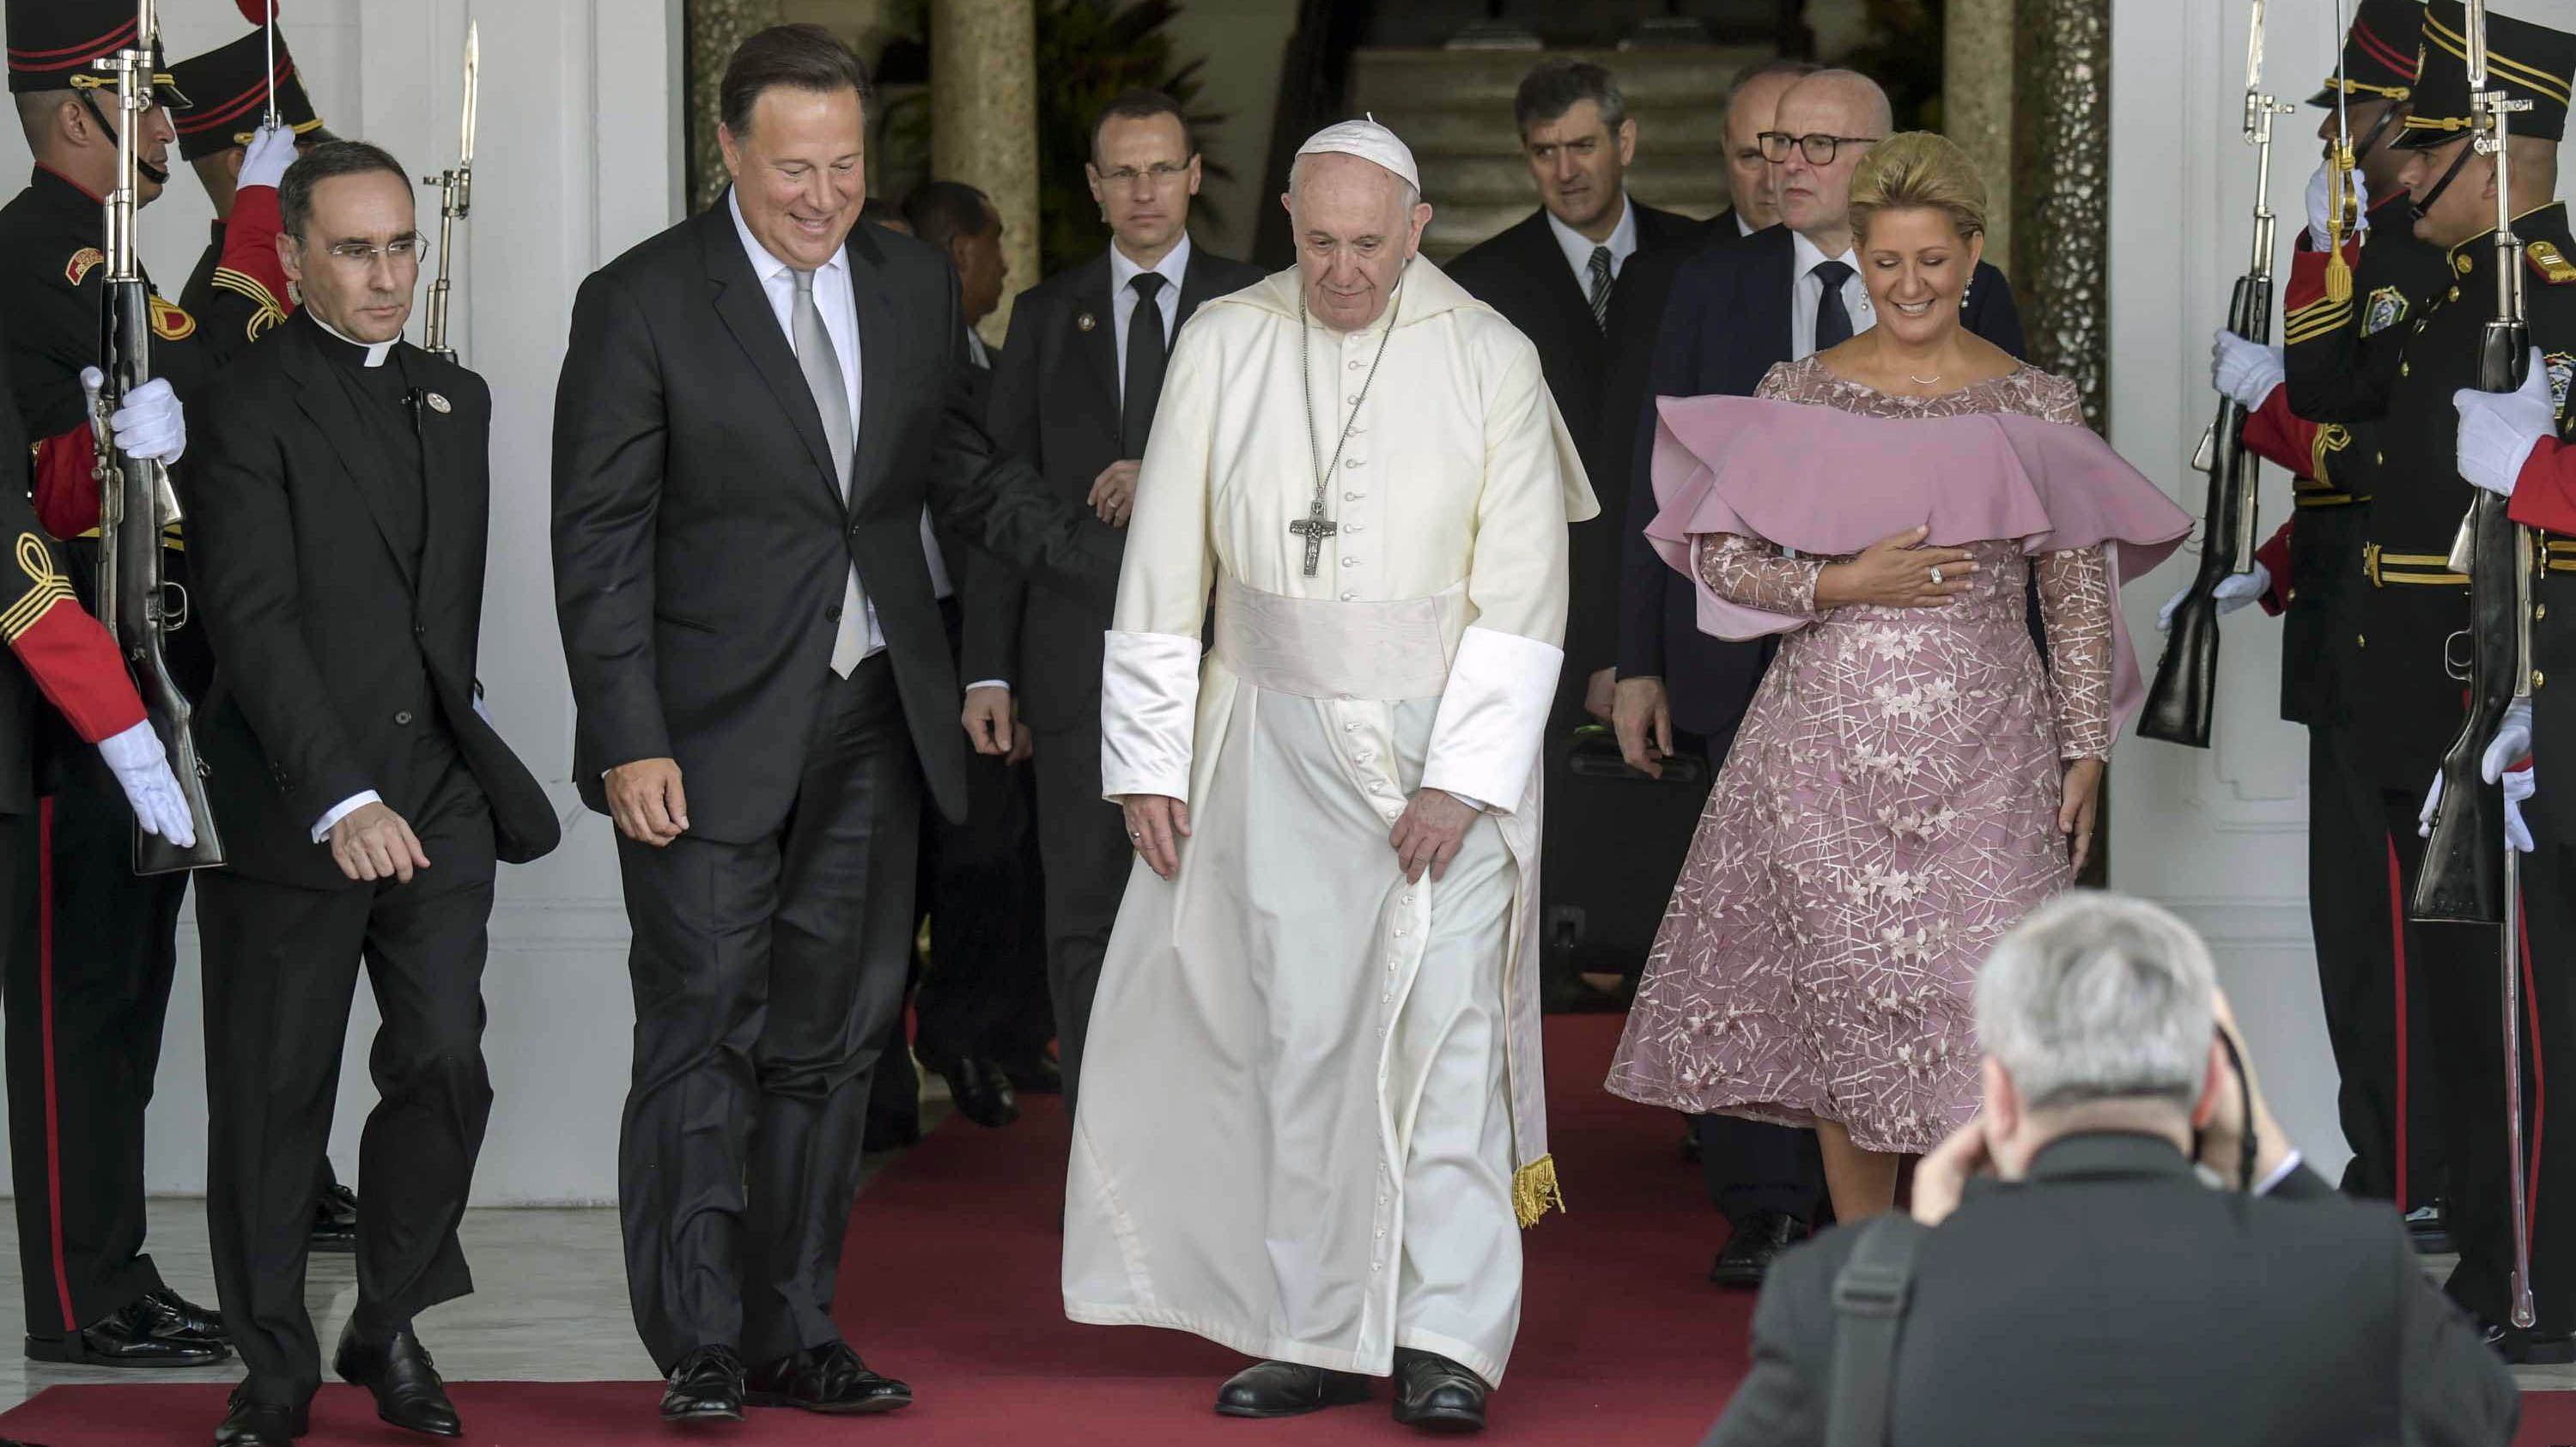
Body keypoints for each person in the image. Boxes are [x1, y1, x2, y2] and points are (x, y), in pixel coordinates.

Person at [551, 24, 1120, 1424]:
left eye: (847, 166)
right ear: (730, 152)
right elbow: (599, 540)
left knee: (837, 1040)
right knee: (702, 1031)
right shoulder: (641, 301)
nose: (823, 196)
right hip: (696, 739)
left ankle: (794, 1327)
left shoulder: (912, 283)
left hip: (875, 720)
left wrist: (1123, 562)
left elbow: (962, 471)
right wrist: (628, 735)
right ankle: (699, 1342)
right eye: (793, 168)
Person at [1061, 118, 1592, 1434]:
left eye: (1368, 244)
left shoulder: (1491, 355)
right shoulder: (1225, 339)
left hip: (1441, 753)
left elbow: (1526, 591)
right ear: (1288, 226)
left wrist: (1463, 778)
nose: (1342, 272)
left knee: (1448, 1043)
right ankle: (1311, 1330)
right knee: (1294, 1042)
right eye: (1318, 244)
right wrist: (1147, 757)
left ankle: (1448, 1338)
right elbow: (1164, 562)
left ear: (1417, 230)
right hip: (1267, 742)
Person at [1607, 131, 2188, 1227]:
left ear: (1972, 254)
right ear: (1859, 260)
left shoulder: (2037, 403)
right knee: (1851, 1013)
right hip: (1824, 755)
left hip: (1993, 752)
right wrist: (1840, 581)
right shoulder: (1799, 391)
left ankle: (1972, 1279)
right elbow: (1721, 559)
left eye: (1932, 260)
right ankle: (1870, 1272)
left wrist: (2087, 749)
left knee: (1991, 1015)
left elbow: (2073, 593)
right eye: (1885, 262)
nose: (1909, 284)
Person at [1611, 70, 2028, 1287]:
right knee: (1784, 954)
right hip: (1762, 679)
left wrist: (2067, 725)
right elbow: (1665, 492)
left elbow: (2034, 540)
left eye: (1818, 144)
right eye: (1777, 143)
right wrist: (1638, 658)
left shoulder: (1992, 317)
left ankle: (1924, 1237)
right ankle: (1766, 1205)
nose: (1788, 163)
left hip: (1957, 715)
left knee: (1926, 975)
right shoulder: (1716, 287)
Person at [185, 141, 561, 1447]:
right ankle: (273, 1369)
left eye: (402, 245)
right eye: (355, 249)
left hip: (439, 793)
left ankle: (388, 1321)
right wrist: (340, 795)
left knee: (445, 1060)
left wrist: (418, 772)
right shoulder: (240, 403)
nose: (387, 273)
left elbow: (433, 619)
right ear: (292, 259)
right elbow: (253, 619)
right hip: (295, 801)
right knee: (272, 1100)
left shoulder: (460, 399)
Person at [1700, 891, 2521, 1447]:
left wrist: (1911, 1243)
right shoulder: (2349, 1272)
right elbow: (2484, 1415)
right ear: (2213, 1087)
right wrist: (2272, 1159)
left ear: (1998, 1095)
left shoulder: (1847, 1292)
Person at [2180, 0, 2457, 1249]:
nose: (2335, 136)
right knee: (2353, 927)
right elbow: (2347, 485)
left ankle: (2419, 1168)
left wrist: (2273, 400)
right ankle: (2389, 1156)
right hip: (2347, 630)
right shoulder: (2362, 244)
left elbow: (2391, 450)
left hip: (2405, 640)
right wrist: (2279, 565)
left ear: (2413, 124)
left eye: (2357, 116)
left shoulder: (2423, 262)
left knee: (2394, 927)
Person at [0, 0, 227, 1369]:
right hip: (59, 697)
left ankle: (118, 1269)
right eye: (144, 100)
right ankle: (79, 1301)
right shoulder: (33, 253)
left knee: (129, 999)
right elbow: (30, 494)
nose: (166, 127)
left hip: (150, 669)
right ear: (79, 113)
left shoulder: (116, 261)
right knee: (74, 1006)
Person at [968, 88, 1262, 1121]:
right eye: (1123, 173)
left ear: (1193, 177)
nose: (1145, 191)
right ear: (1095, 188)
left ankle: (1211, 1143)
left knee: (1221, 915)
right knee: (1085, 916)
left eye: (1162, 169)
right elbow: (998, 495)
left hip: (1229, 665)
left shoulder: (1254, 305)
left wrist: (1173, 475)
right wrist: (989, 666)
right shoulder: (1045, 317)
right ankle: (1104, 1147)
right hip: (1073, 668)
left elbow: (1303, 473)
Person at [2365, 0, 2576, 1364]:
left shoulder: (2554, 294)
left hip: (2527, 692)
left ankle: (2544, 1279)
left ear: (2489, 152)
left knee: (2536, 1010)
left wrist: (2539, 476)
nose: (2399, 173)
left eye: (2424, 146)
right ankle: (2502, 1259)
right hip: (2455, 695)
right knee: (2473, 1008)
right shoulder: (2463, 288)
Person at [166, 10, 367, 1261]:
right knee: (264, 970)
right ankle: (273, 1186)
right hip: (239, 676)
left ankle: (309, 1169)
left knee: (318, 951)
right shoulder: (222, 298)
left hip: (331, 667)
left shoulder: (274, 285)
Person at [860, 174, 1055, 1139]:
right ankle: (878, 1076)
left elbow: (1003, 516)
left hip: (960, 638)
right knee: (874, 860)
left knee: (986, 845)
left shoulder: (990, 369)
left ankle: (966, 1030)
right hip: (867, 645)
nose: (1006, 264)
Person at [168, 18, 325, 357]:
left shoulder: (294, 259)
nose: (318, 170)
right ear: (243, 165)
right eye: (298, 153)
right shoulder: (220, 291)